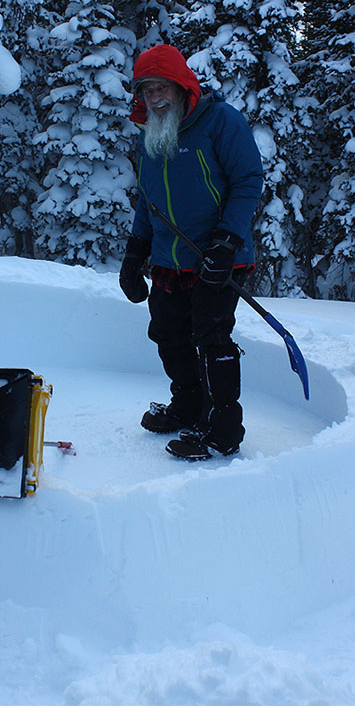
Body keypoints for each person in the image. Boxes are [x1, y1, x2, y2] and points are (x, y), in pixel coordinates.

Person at [119, 44, 264, 461]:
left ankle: (223, 429)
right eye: (147, 91)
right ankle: (187, 405)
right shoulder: (153, 133)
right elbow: (149, 201)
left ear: (182, 86)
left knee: (211, 337)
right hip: (169, 259)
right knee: (168, 334)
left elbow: (248, 180)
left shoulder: (221, 121)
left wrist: (227, 242)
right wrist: (135, 253)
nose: (155, 98)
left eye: (162, 87)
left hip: (217, 256)